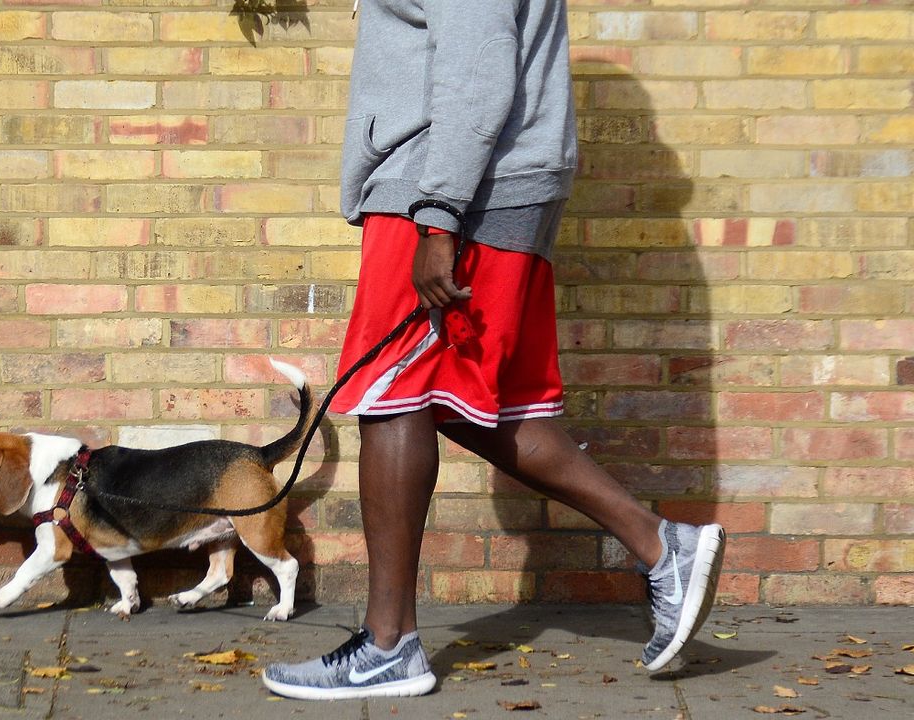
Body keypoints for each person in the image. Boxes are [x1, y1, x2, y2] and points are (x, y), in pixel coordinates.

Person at [260, 0, 726, 701]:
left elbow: (478, 69)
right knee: (457, 401)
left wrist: (439, 214)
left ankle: (388, 644)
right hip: (478, 185)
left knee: (392, 397)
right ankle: (664, 547)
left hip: (450, 190)